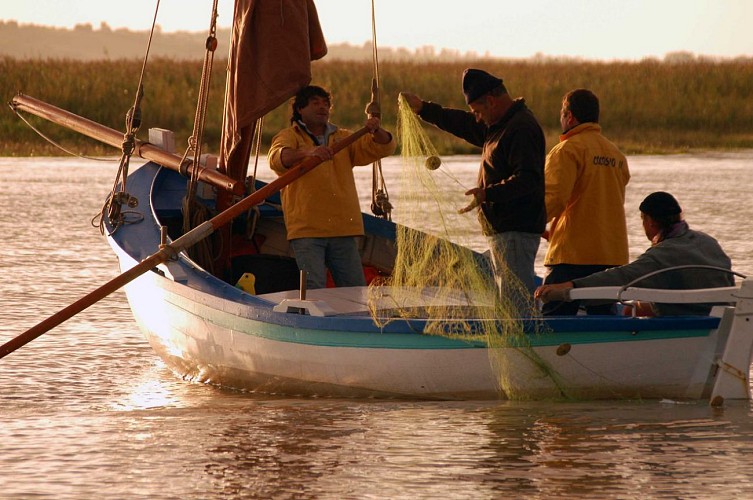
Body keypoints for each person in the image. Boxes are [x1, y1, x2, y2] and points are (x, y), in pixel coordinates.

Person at [400, 69, 546, 301]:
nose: (476, 117)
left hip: (515, 230)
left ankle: (528, 335)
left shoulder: (521, 128)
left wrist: (488, 193)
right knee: (507, 301)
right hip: (504, 232)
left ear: (490, 101)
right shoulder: (498, 125)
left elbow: (528, 178)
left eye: (477, 111)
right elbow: (463, 123)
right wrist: (423, 109)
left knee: (516, 304)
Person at [267, 85, 396, 290]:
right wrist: (307, 153)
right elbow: (277, 158)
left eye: (325, 104)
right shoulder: (290, 136)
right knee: (313, 287)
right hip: (307, 229)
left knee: (355, 289)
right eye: (315, 103)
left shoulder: (343, 137)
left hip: (343, 228)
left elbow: (382, 147)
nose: (322, 108)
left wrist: (376, 130)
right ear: (300, 109)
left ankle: (353, 322)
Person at [534, 192, 734, 316]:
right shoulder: (709, 243)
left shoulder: (663, 254)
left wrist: (570, 286)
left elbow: (622, 277)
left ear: (651, 222)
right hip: (722, 321)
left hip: (690, 323)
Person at [541, 89, 631, 315]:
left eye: (562, 116)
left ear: (569, 116)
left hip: (572, 255)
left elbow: (555, 198)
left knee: (554, 319)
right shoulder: (616, 155)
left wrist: (527, 224)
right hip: (610, 253)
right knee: (603, 323)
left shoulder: (566, 150)